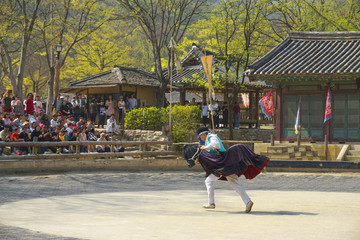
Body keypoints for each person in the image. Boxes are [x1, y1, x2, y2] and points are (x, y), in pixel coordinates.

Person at [183, 126, 269, 213]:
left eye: (200, 136)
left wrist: (205, 148)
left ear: (204, 134)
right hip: (223, 164)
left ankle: (211, 203)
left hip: (222, 163)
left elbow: (216, 145)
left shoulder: (212, 137)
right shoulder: (208, 140)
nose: (200, 138)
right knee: (234, 184)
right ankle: (248, 201)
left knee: (209, 181)